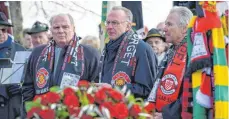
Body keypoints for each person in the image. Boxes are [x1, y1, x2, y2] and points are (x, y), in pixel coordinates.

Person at [22, 13, 100, 113]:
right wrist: (30, 112)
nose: (61, 31)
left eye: (65, 27)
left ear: (73, 28)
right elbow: (28, 87)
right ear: (51, 31)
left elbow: (96, 86)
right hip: (43, 113)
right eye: (56, 27)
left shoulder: (89, 54)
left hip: (76, 113)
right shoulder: (38, 53)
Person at [98, 6, 158, 99]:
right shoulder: (107, 47)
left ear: (128, 26)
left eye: (115, 23)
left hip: (129, 111)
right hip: (105, 108)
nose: (109, 27)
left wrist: (114, 89)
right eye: (108, 22)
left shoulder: (141, 49)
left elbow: (146, 89)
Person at [147, 6, 193, 119]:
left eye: (170, 24)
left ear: (184, 28)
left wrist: (167, 114)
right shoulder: (172, 50)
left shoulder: (193, 52)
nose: (164, 29)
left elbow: (192, 93)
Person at [0, 12, 26, 119]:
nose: (1, 33)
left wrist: (21, 86)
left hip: (13, 105)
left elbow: (28, 79)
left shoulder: (19, 50)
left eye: (3, 30)